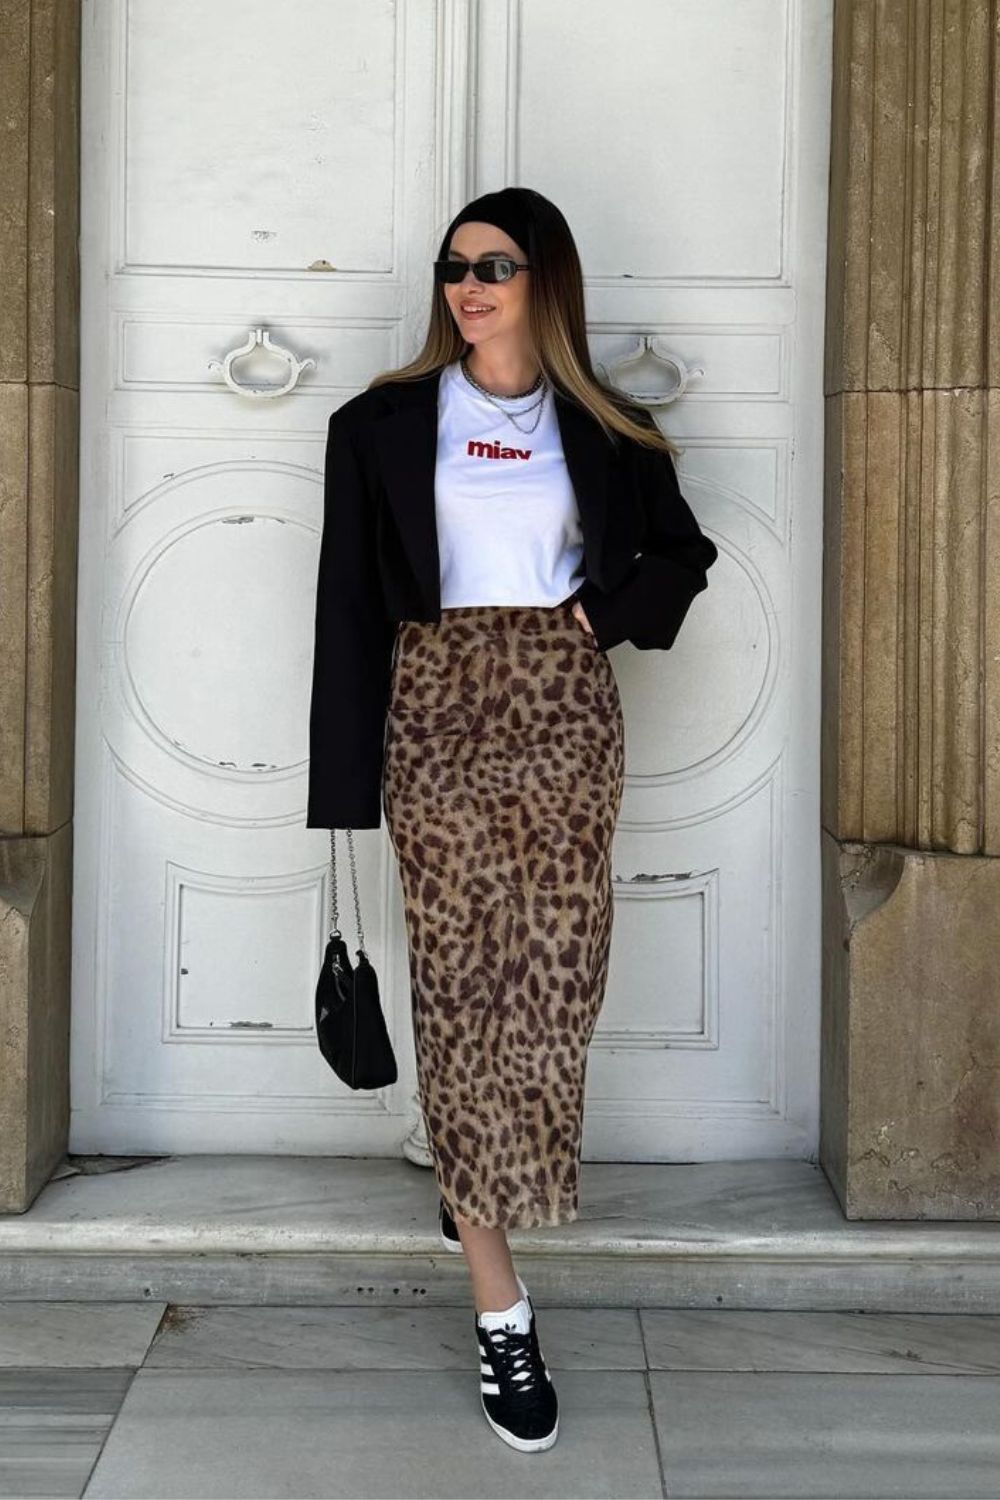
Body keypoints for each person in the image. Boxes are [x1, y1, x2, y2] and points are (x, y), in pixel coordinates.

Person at [306, 186, 718, 1453]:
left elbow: (683, 556)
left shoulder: (605, 425)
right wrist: (342, 791)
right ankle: (500, 1305)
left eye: (493, 266)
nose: (468, 287)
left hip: (562, 711)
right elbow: (347, 609)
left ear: (546, 281)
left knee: (554, 984)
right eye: (454, 267)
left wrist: (597, 616)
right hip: (434, 709)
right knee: (462, 986)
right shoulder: (380, 424)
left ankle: (471, 1171)